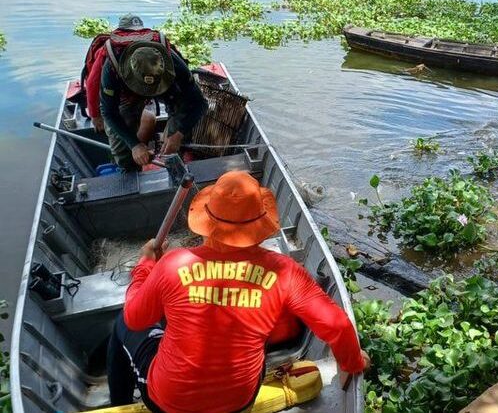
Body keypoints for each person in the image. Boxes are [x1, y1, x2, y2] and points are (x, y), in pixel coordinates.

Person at [106, 171, 370, 412]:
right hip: (239, 401)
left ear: (207, 220)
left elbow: (135, 318)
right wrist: (352, 362)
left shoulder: (173, 263)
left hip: (169, 403)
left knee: (122, 323)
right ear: (260, 223)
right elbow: (337, 325)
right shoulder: (285, 271)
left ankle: (120, 404)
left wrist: (145, 267)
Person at [99, 15, 208, 171]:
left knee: (181, 118)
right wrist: (134, 145)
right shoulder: (112, 68)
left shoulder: (174, 63)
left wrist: (178, 134)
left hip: (166, 87)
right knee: (122, 147)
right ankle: (128, 170)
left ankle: (173, 159)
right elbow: (108, 112)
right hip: (128, 94)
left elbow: (199, 103)